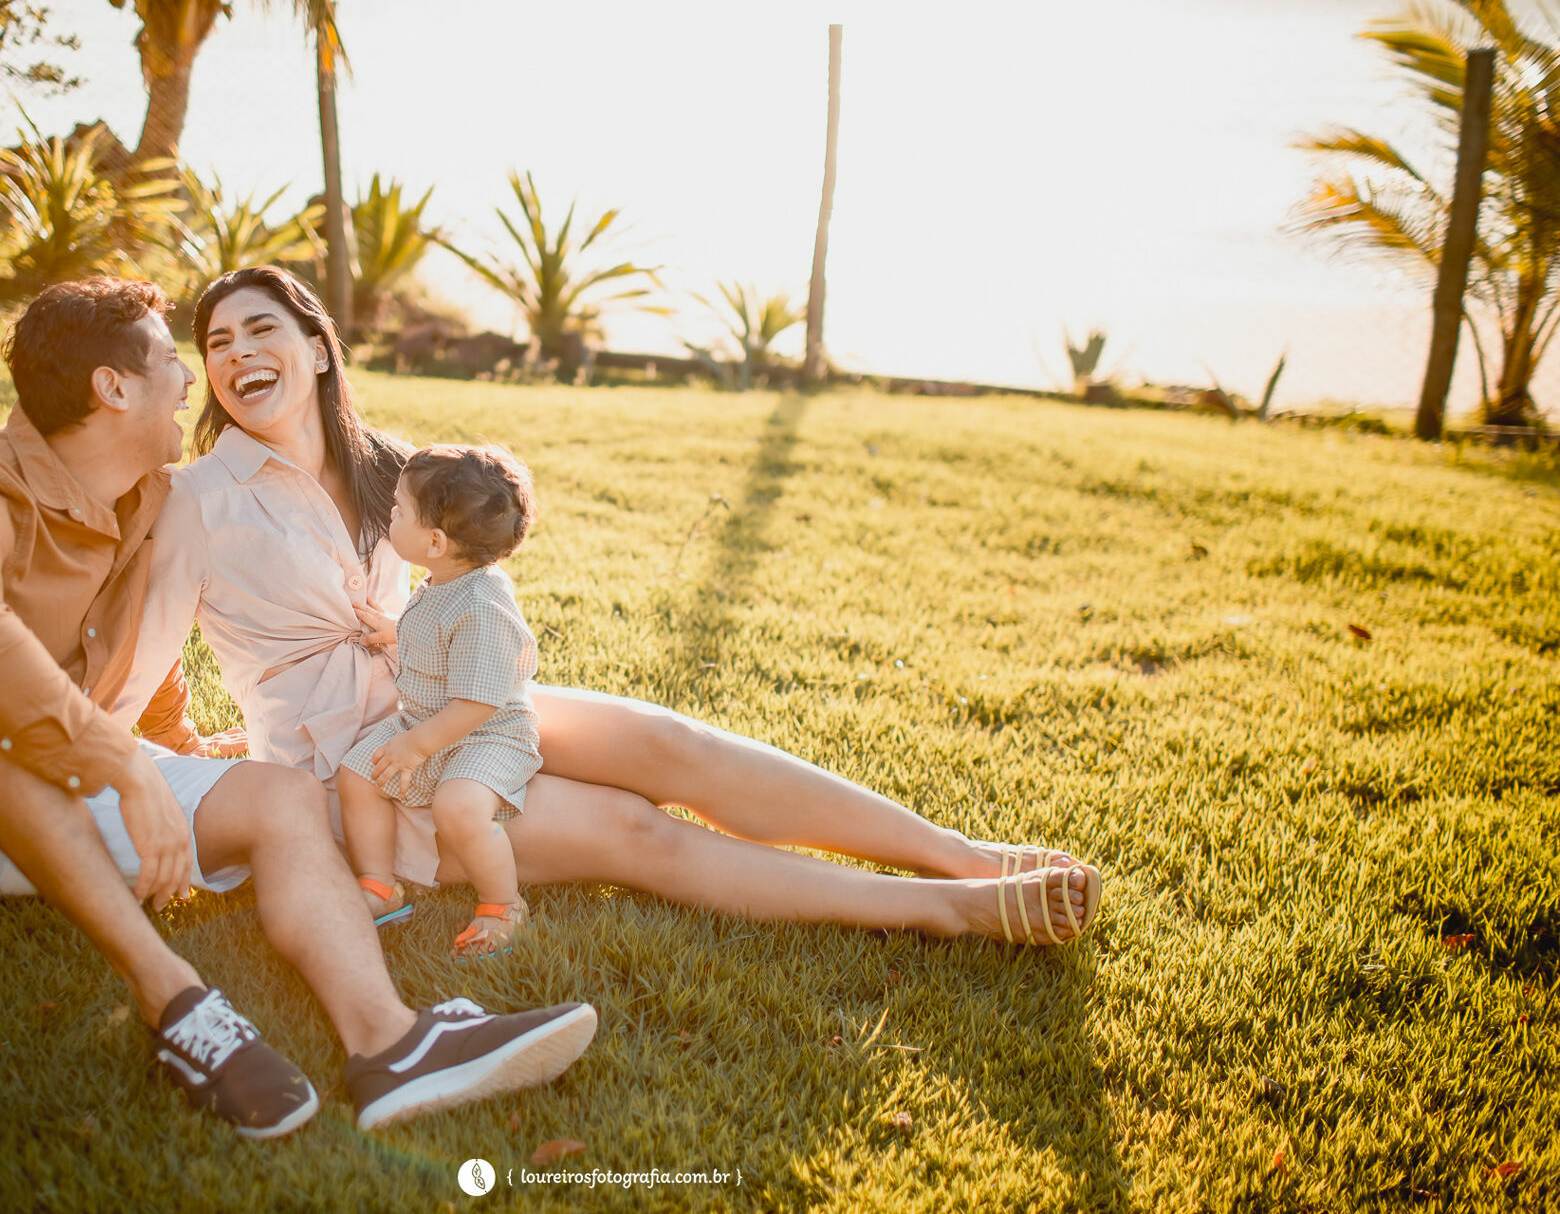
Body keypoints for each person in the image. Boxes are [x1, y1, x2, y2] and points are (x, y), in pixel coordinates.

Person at [0, 278, 596, 1140]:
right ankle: (181, 1007)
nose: (194, 380)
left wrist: (170, 743)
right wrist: (117, 764)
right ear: (113, 387)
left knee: (281, 794)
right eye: (172, 359)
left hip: (54, 801)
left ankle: (391, 1045)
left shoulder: (148, 496)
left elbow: (133, 628)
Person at [122, 266, 1101, 948]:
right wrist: (160, 759)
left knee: (671, 744)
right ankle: (944, 913)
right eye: (217, 341)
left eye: (263, 329)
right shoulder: (198, 498)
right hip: (367, 773)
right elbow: (131, 669)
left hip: (450, 701)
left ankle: (961, 857)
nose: (239, 353)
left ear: (318, 349)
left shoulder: (392, 466)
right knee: (638, 831)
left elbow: (465, 588)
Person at [336, 444, 544, 957]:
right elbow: (439, 638)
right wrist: (394, 632)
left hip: (488, 733)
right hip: (430, 720)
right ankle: (379, 887)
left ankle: (502, 903)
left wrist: (415, 746)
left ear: (434, 541)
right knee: (357, 774)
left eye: (399, 510)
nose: (390, 512)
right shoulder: (448, 579)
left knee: (459, 808)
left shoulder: (481, 603)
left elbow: (477, 704)